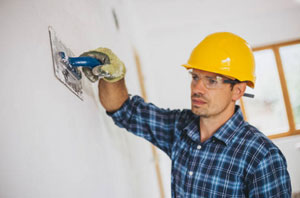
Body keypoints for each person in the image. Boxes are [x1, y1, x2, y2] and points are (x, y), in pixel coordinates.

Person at [82, 32, 292, 197]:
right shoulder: (181, 127)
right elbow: (124, 110)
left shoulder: (262, 156)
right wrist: (114, 76)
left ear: (238, 90)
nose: (197, 88)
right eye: (195, 77)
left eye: (212, 81)